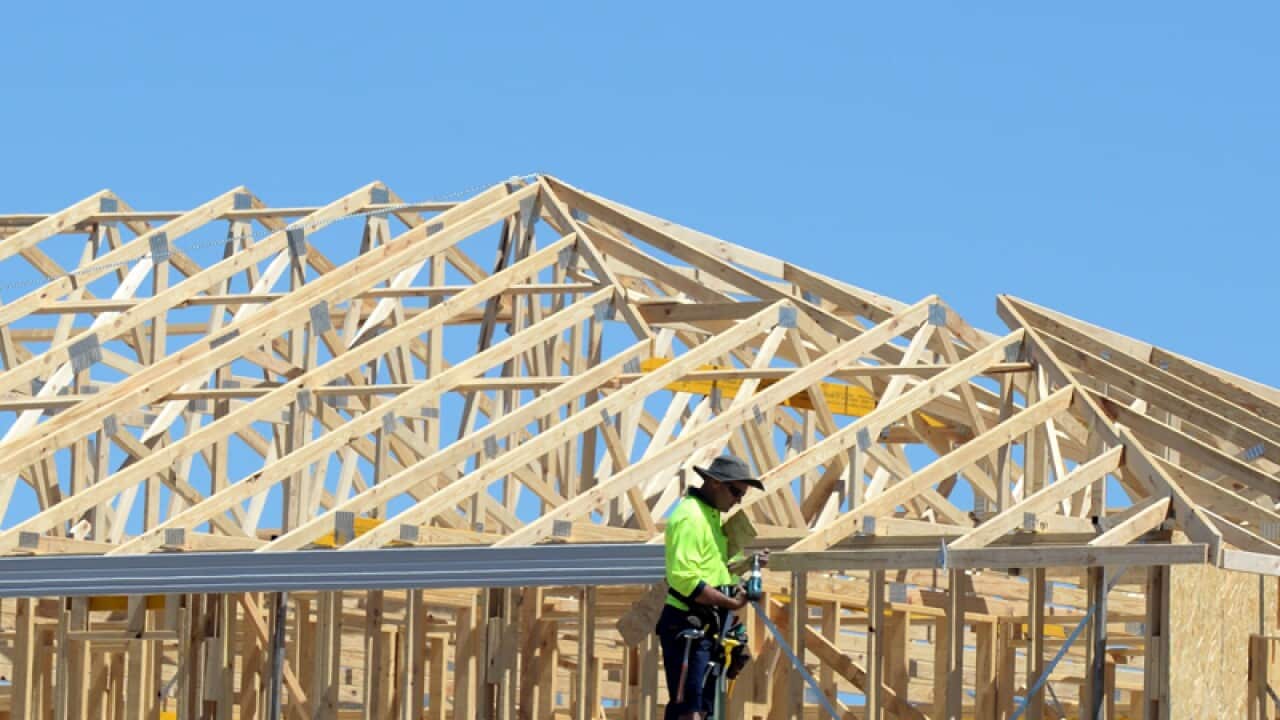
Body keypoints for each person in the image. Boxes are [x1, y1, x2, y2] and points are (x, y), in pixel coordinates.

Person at [656, 454, 769, 720]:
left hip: (707, 627)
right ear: (715, 482)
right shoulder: (690, 516)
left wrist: (749, 565)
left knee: (703, 711)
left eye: (742, 494)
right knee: (689, 712)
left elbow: (717, 568)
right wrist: (729, 603)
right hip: (687, 623)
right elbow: (684, 578)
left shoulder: (711, 518)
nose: (738, 499)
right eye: (736, 491)